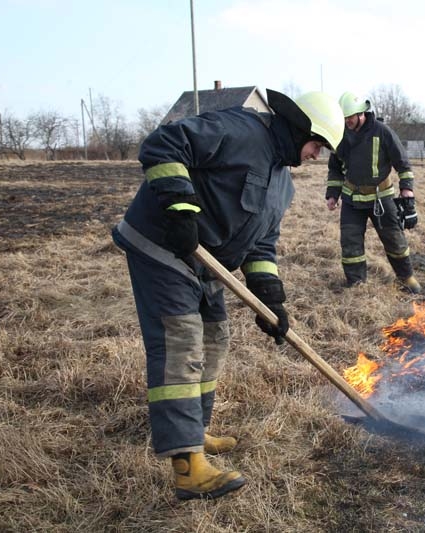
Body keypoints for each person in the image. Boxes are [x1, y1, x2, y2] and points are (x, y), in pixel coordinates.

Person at [111, 90, 344, 500]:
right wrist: (181, 207)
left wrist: (270, 298)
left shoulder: (282, 185)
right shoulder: (239, 129)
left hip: (207, 263)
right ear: (301, 129)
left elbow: (262, 244)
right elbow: (163, 143)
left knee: (216, 338)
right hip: (163, 245)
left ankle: (195, 431)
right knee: (181, 342)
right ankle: (187, 465)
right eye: (317, 145)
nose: (315, 156)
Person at [325, 92, 421, 293]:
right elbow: (334, 168)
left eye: (350, 117)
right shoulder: (340, 135)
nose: (347, 121)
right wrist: (333, 194)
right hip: (351, 200)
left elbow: (403, 164)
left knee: (395, 240)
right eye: (344, 118)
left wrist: (407, 191)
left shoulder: (382, 131)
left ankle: (406, 277)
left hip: (381, 198)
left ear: (362, 113)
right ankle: (356, 285)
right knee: (350, 246)